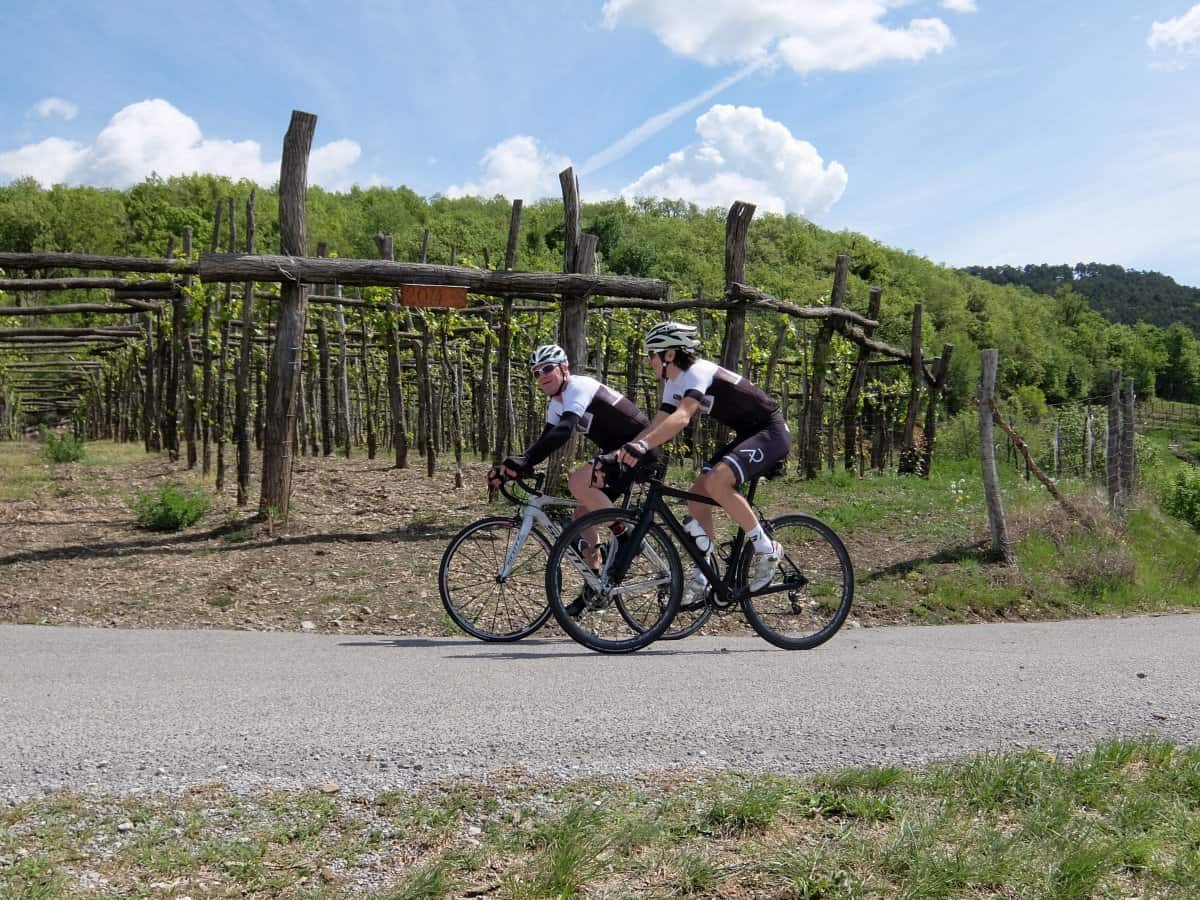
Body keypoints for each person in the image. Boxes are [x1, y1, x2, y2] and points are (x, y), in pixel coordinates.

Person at [617, 321, 791, 602]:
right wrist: (623, 452)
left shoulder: (696, 371)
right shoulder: (673, 382)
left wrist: (643, 445)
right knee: (696, 495)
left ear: (669, 355)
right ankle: (705, 575)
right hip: (749, 433)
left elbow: (683, 416)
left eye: (651, 355)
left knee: (717, 480)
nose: (649, 362)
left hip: (770, 431)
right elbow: (660, 422)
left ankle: (767, 548)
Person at [488, 343, 659, 560]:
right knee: (581, 518)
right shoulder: (556, 404)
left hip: (640, 448)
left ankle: (628, 539)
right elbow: (546, 440)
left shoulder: (578, 387)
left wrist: (525, 461)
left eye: (548, 368)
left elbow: (564, 430)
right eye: (536, 373)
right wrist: (517, 465)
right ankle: (595, 585)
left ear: (564, 368)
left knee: (577, 481)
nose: (542, 376)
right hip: (618, 453)